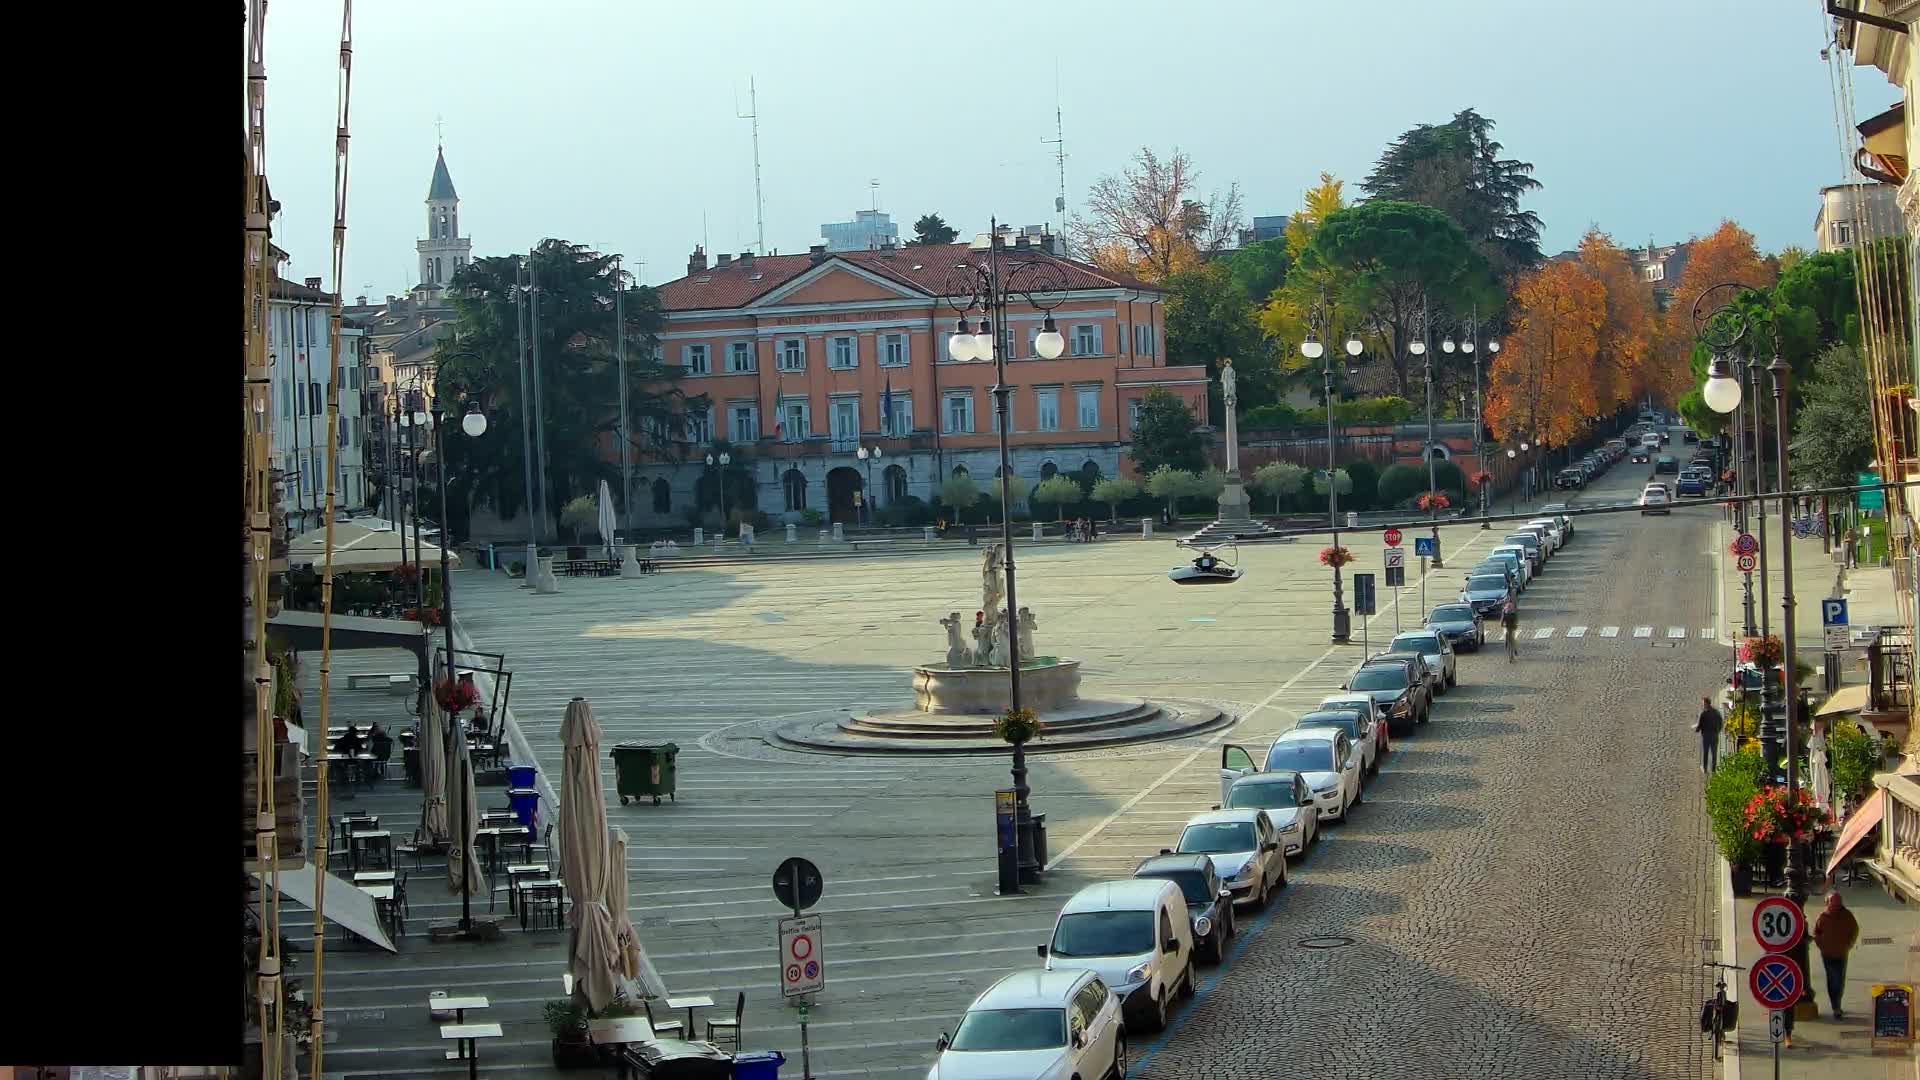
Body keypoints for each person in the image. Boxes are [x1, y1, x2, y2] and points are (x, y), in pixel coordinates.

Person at [1812, 892, 1861, 1020]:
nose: (1835, 906)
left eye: (1838, 903)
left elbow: (1854, 930)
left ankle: (1837, 1004)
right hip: (1827, 954)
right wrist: (1821, 945)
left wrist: (1849, 945)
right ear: (1827, 903)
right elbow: (1816, 933)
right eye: (1833, 903)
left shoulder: (1847, 916)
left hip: (1841, 953)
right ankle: (1836, 1007)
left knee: (1839, 980)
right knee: (1832, 979)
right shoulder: (1823, 917)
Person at [1693, 696, 1723, 774]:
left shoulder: (1703, 713)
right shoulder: (1716, 712)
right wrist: (1718, 731)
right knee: (1714, 753)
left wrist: (1696, 730)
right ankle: (1713, 769)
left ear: (1706, 703)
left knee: (1705, 752)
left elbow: (1699, 725)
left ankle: (1705, 768)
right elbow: (1721, 723)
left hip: (1706, 736)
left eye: (1703, 703)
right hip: (1714, 735)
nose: (1703, 705)